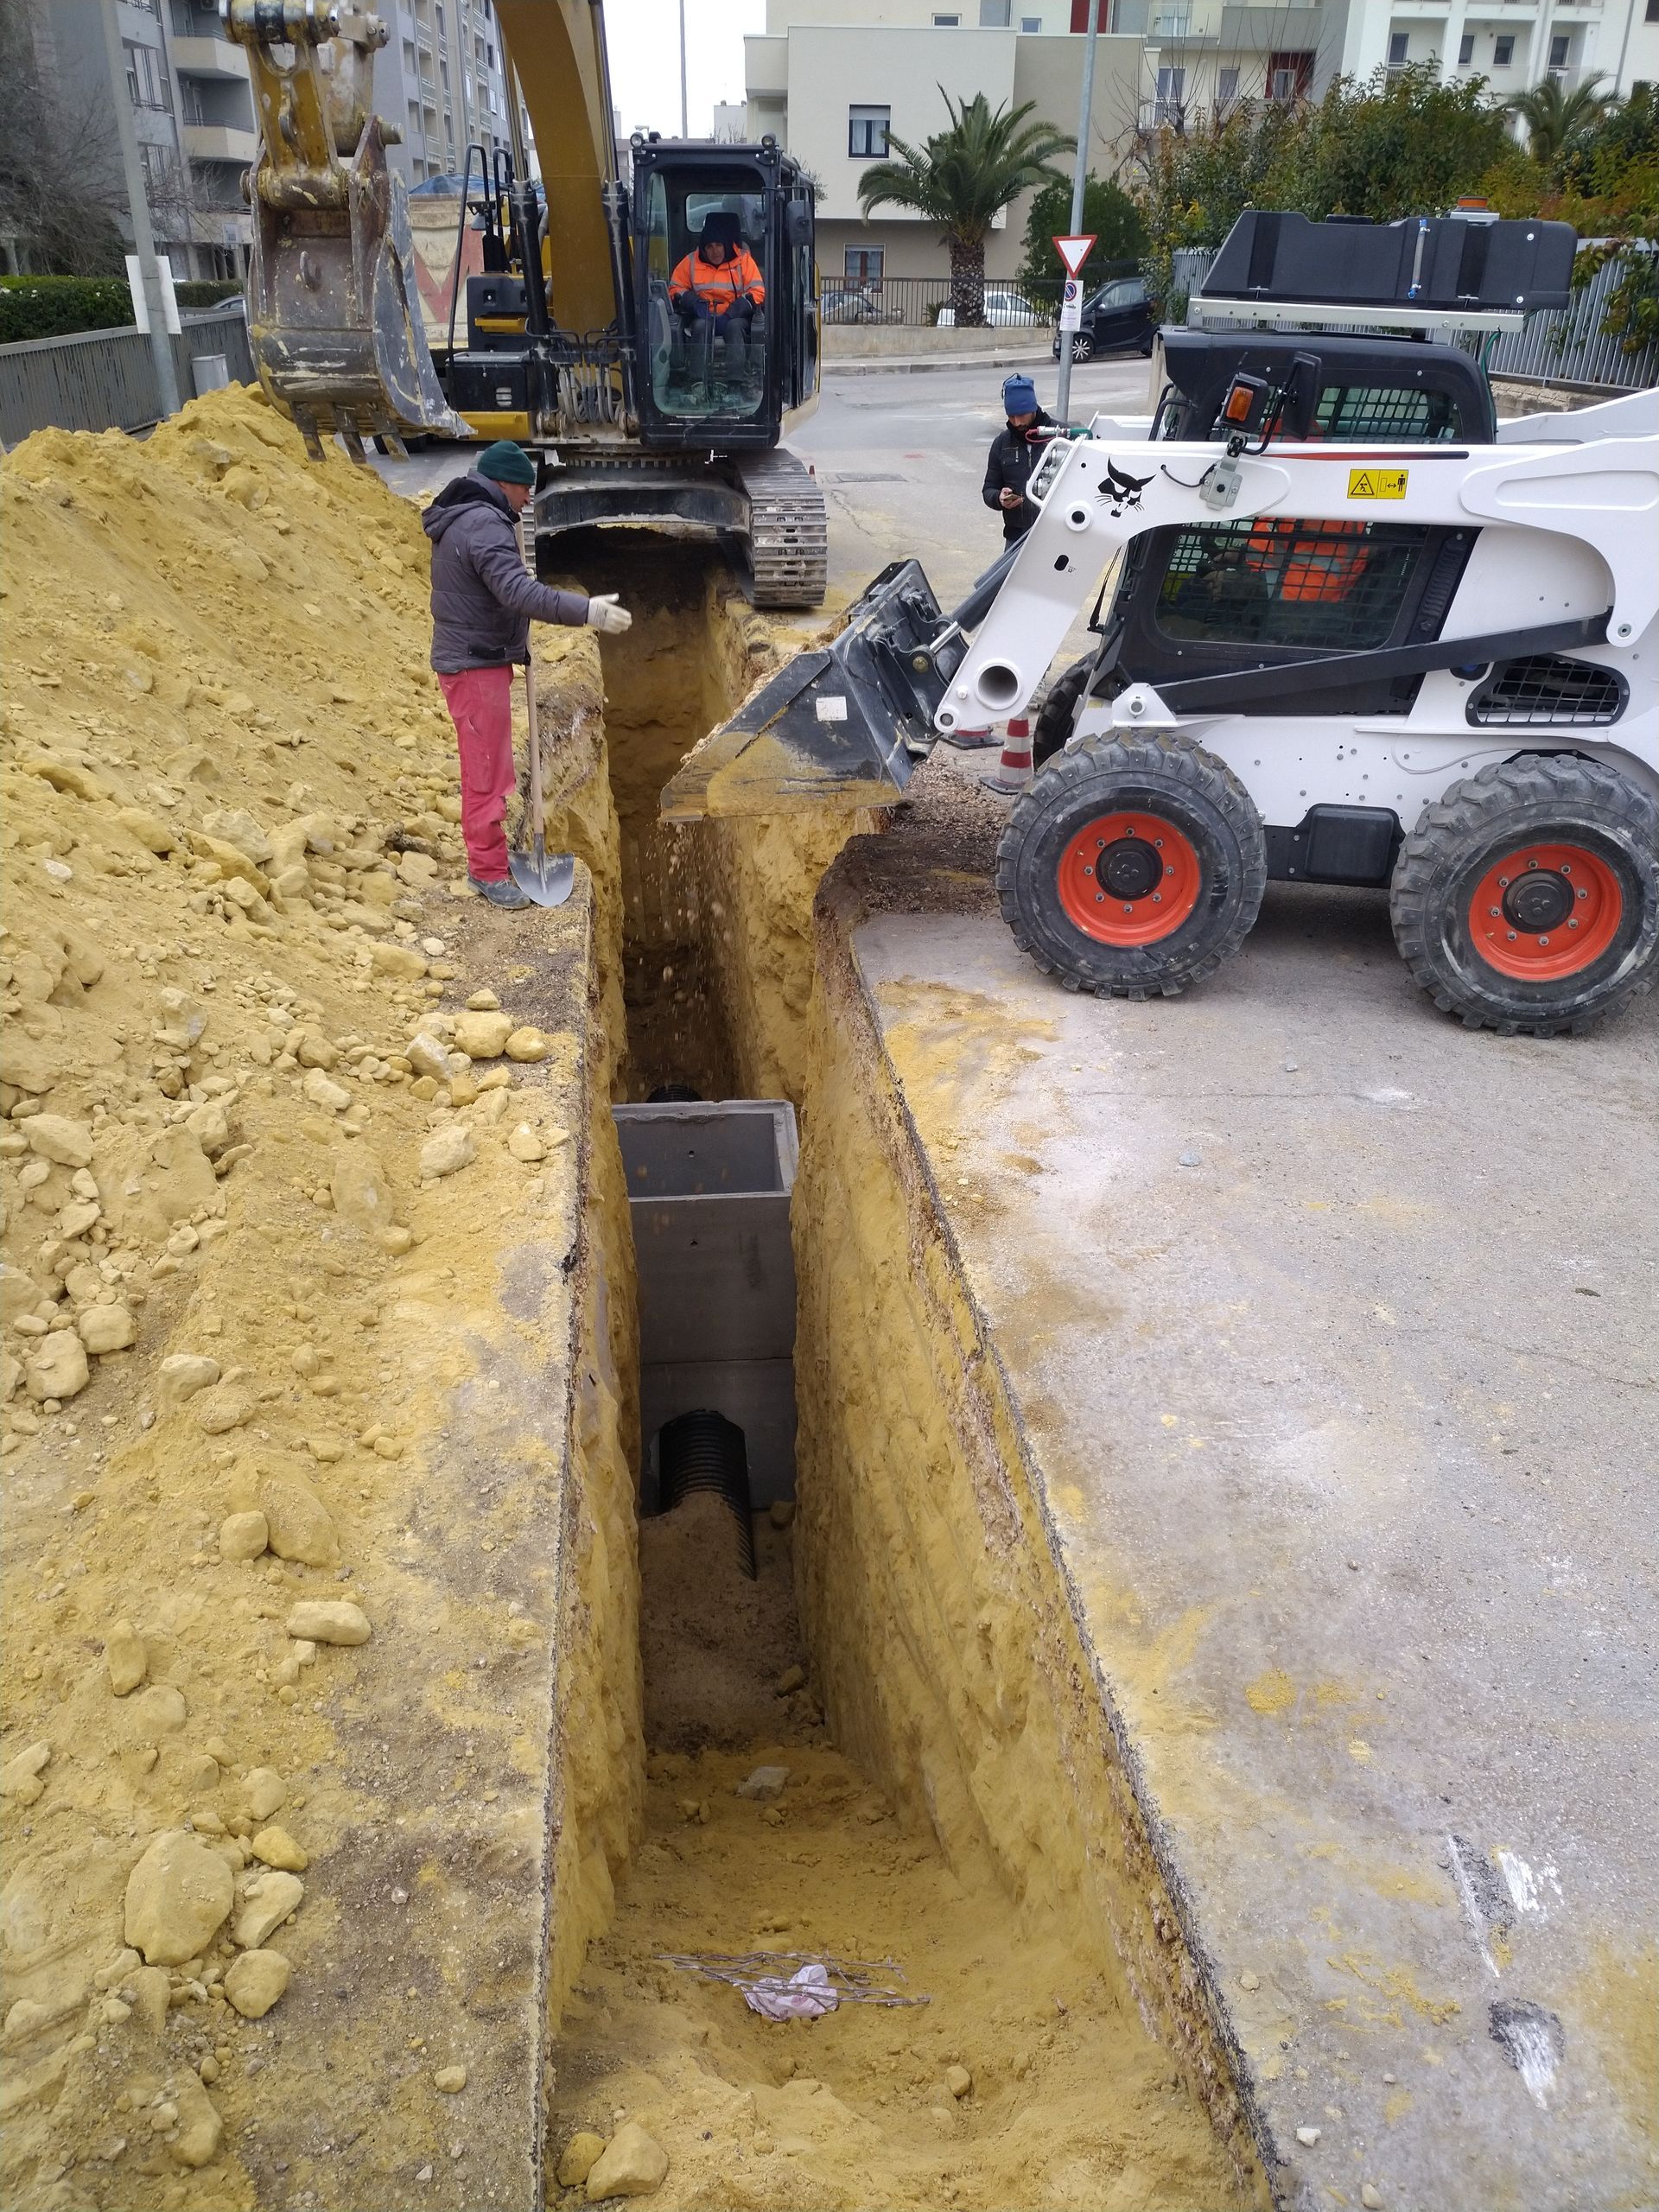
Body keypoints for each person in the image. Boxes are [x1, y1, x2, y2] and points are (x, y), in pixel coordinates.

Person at [424, 441, 632, 910]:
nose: (528, 500)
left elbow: (494, 594)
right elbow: (518, 591)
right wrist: (587, 611)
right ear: (504, 483)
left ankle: (490, 860)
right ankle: (487, 871)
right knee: (487, 773)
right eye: (525, 490)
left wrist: (516, 646)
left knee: (489, 766)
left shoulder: (474, 516)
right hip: (474, 666)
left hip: (480, 658)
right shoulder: (484, 525)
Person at [669, 213, 766, 369]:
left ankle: (736, 383)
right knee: (700, 327)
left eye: (718, 245)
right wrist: (694, 303)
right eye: (709, 247)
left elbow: (758, 291)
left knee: (733, 328)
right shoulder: (691, 261)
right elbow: (674, 288)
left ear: (726, 245)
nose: (715, 251)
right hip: (703, 316)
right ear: (703, 249)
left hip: (735, 317)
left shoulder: (744, 261)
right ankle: (697, 382)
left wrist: (732, 312)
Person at [982, 373, 1055, 543]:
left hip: (1055, 535)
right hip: (1016, 537)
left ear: (1033, 408)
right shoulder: (1002, 443)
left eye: (1022, 415)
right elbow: (989, 489)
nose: (1017, 422)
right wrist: (999, 498)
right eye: (1011, 416)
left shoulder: (1060, 437)